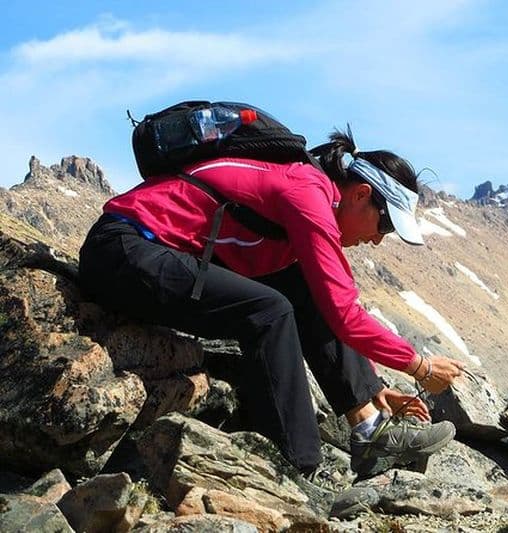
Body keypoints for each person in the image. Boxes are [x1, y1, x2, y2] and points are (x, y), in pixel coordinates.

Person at [78, 125, 465, 478]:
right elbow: (344, 316)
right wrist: (420, 366)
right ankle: (297, 470)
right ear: (361, 194)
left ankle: (368, 427)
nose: (379, 239)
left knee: (301, 287)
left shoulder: (315, 192)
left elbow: (336, 300)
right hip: (123, 252)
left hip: (157, 255)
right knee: (270, 312)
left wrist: (370, 386)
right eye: (385, 225)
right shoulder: (307, 195)